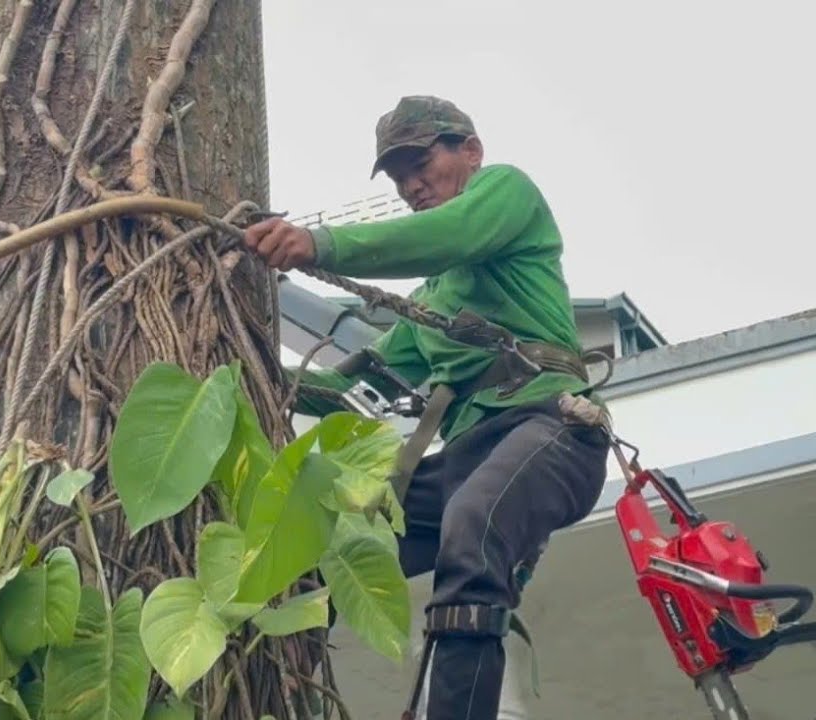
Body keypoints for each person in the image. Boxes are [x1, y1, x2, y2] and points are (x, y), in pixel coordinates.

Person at [242, 95, 611, 720]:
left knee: (473, 522)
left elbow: (447, 236)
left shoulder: (506, 193)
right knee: (322, 557)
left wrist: (319, 243)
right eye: (396, 175)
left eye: (420, 162)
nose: (410, 184)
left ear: (470, 150)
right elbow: (355, 389)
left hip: (552, 429)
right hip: (469, 457)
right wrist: (243, 365)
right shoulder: (431, 303)